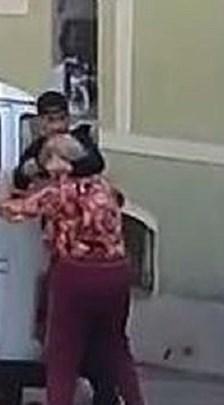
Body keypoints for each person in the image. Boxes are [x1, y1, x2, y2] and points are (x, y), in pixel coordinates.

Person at [1, 135, 144, 405]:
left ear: (62, 162)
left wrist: (5, 188)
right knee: (116, 347)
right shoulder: (104, 187)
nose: (46, 168)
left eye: (48, 160)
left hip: (76, 274)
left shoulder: (60, 193)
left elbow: (14, 211)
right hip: (116, 272)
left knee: (63, 352)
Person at [12, 91, 118, 404]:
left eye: (61, 118)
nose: (56, 125)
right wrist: (31, 168)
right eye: (50, 119)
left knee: (88, 335)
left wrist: (64, 156)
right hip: (61, 253)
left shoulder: (78, 143)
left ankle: (101, 391)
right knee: (60, 330)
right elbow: (20, 178)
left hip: (89, 258)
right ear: (40, 122)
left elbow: (93, 164)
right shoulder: (38, 150)